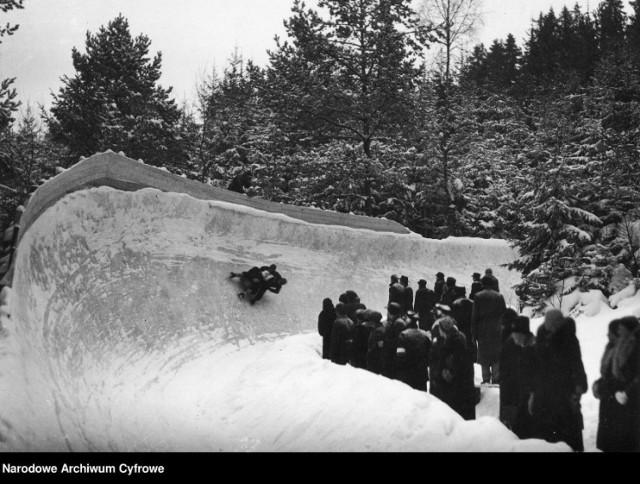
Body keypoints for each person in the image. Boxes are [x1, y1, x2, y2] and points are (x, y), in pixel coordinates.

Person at [529, 309, 588, 452]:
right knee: (548, 431)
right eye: (548, 324)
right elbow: (537, 364)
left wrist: (579, 386)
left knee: (568, 429)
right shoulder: (542, 336)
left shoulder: (568, 337)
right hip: (545, 392)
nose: (550, 327)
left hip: (565, 391)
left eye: (553, 324)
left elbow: (576, 363)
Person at [592, 316, 640, 452]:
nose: (612, 334)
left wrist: (624, 392)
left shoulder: (632, 346)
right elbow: (608, 373)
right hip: (612, 396)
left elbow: (628, 375)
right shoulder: (615, 347)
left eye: (620, 330)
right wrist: (599, 385)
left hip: (625, 399)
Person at [499, 315, 536, 439]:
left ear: (522, 333)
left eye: (515, 333)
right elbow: (507, 378)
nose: (513, 336)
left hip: (530, 404)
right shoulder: (511, 346)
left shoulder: (535, 349)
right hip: (516, 402)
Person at [434, 315, 476, 420]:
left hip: (455, 393)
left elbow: (453, 367)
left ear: (443, 330)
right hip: (464, 392)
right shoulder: (461, 339)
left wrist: (445, 375)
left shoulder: (451, 343)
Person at [471, 275, 506, 384]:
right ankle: (496, 378)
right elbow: (504, 314)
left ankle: (485, 379)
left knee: (484, 355)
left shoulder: (478, 296)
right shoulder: (499, 296)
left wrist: (474, 333)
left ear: (483, 284)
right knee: (496, 355)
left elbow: (475, 316)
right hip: (496, 329)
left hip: (483, 330)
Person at [395, 312, 431, 391]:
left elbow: (400, 357)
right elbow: (429, 355)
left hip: (407, 374)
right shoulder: (424, 335)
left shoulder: (403, 335)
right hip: (422, 374)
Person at [451, 286, 475, 363]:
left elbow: (453, 318)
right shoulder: (472, 302)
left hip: (460, 327)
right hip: (470, 327)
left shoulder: (455, 303)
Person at [381, 302, 406, 378]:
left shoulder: (399, 323)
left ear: (390, 312)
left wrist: (384, 343)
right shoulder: (394, 321)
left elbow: (398, 341)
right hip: (389, 355)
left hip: (393, 356)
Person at [366, 311, 386, 375]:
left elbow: (377, 346)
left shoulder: (378, 330)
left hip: (375, 361)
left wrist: (369, 354)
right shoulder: (379, 328)